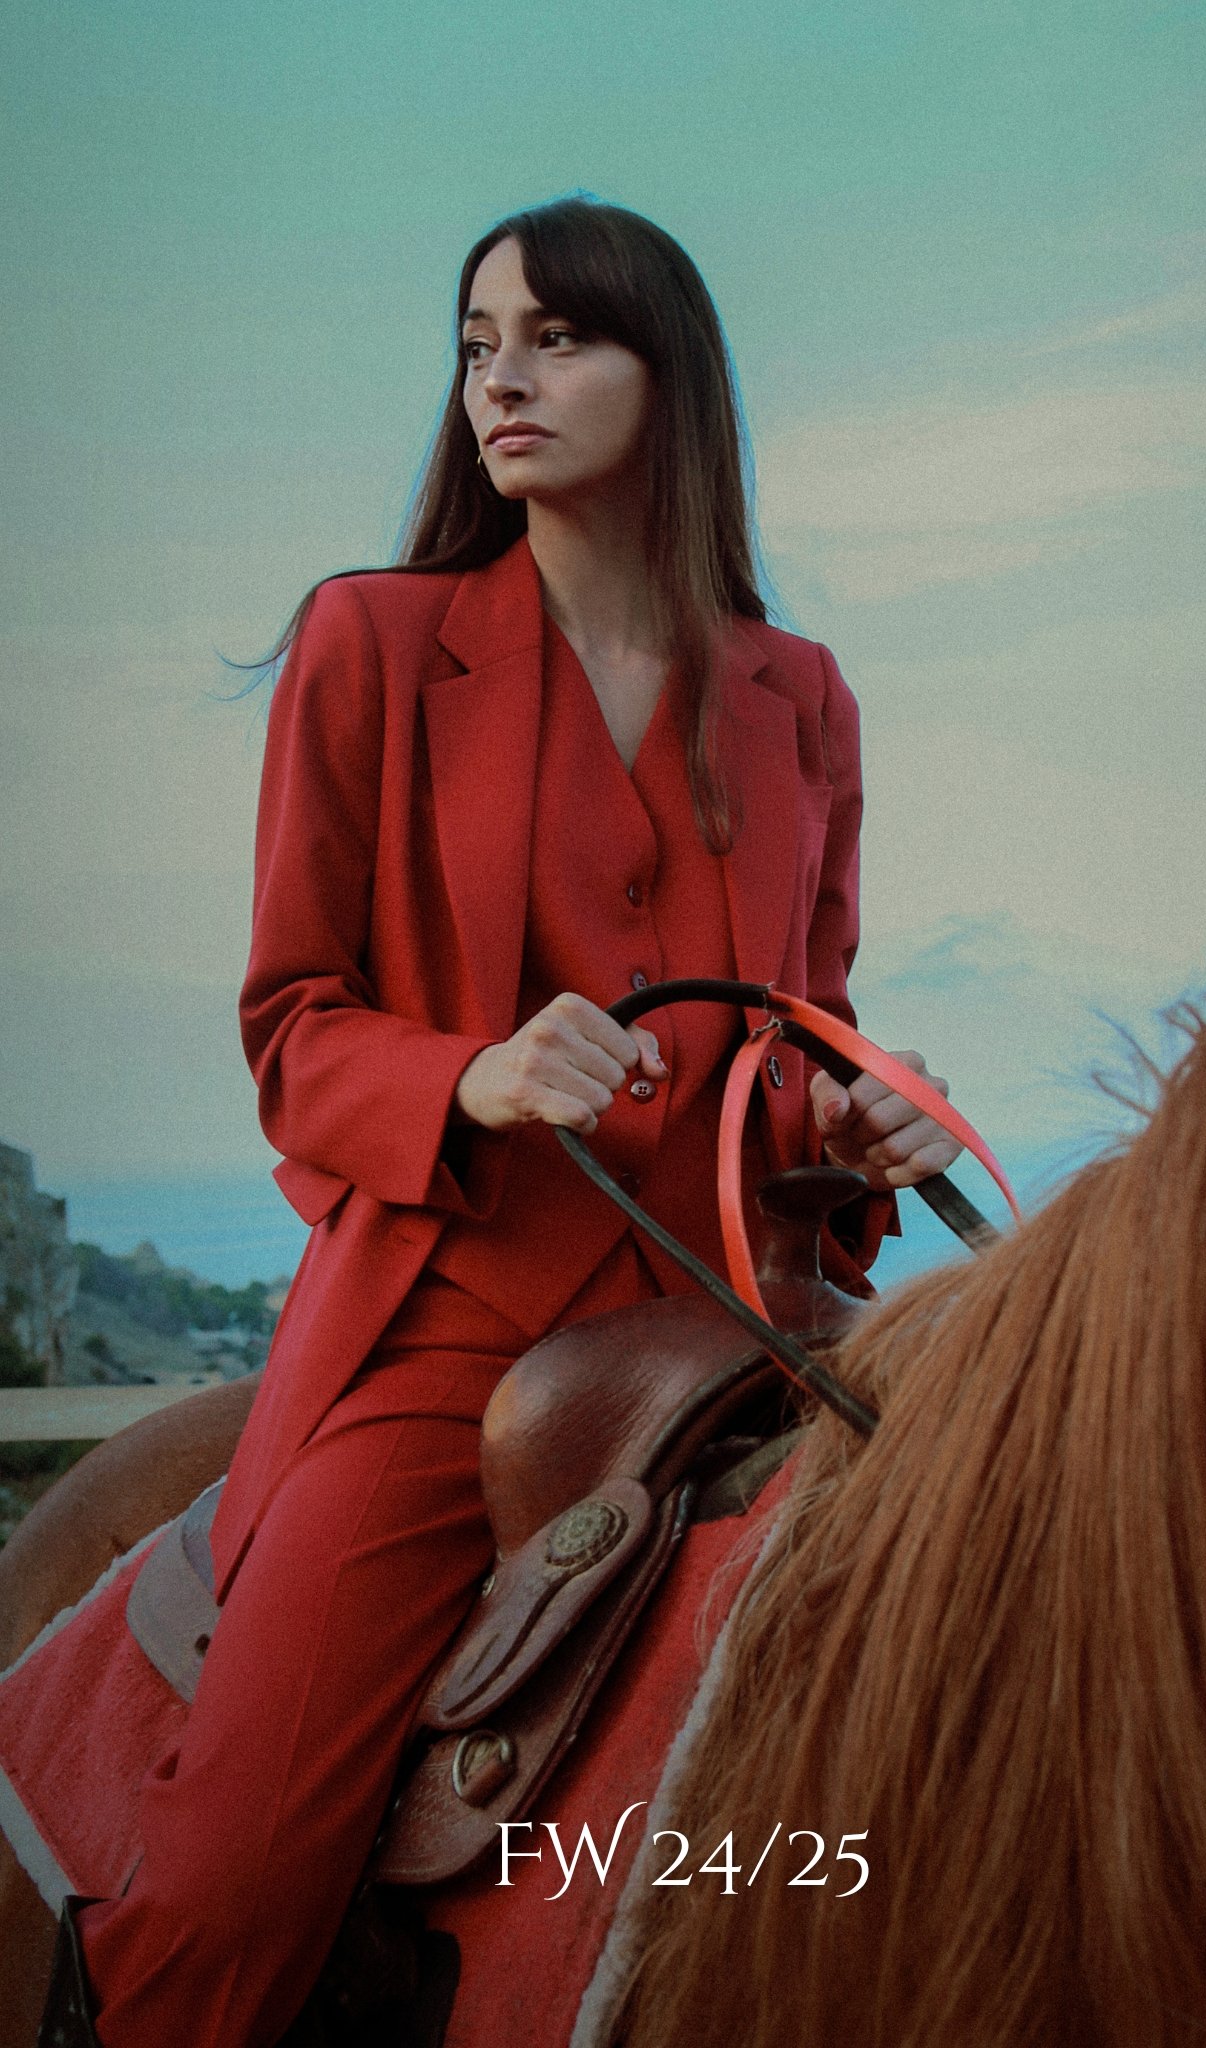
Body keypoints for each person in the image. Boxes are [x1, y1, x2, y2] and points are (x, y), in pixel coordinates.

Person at [53, 196, 960, 2047]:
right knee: (226, 1886)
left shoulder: (803, 697)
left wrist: (861, 1121)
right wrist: (469, 1070)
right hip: (444, 1337)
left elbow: (804, 1024)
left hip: (742, 1333)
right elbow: (293, 1027)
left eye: (556, 337)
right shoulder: (372, 645)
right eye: (478, 344)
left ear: (668, 373)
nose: (503, 378)